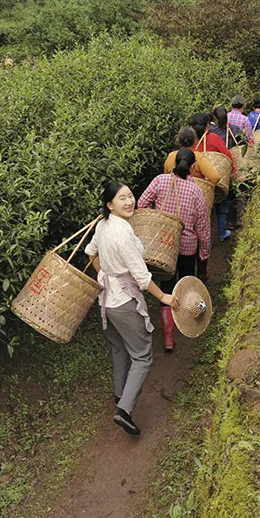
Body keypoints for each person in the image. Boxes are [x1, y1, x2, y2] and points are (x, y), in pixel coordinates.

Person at [85, 181, 179, 436]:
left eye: (130, 196)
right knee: (142, 355)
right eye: (121, 198)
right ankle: (124, 410)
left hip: (106, 300)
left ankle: (119, 395)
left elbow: (90, 252)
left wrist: (105, 274)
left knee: (118, 349)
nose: (129, 202)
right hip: (124, 304)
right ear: (109, 205)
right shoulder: (122, 234)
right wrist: (165, 298)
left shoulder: (103, 225)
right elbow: (142, 277)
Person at [138, 148, 210, 352]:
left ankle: (168, 336)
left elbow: (142, 204)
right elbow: (203, 225)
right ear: (194, 167)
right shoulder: (196, 190)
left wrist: (155, 221)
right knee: (185, 286)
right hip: (187, 247)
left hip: (163, 246)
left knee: (167, 289)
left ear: (173, 163)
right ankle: (185, 321)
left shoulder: (160, 181)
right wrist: (204, 253)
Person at [192, 112, 235, 242]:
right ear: (207, 125)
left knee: (205, 212)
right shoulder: (214, 138)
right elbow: (227, 156)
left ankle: (207, 240)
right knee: (221, 208)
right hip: (216, 180)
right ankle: (222, 233)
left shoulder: (192, 141)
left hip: (199, 182)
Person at [210, 105, 242, 230]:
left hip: (216, 167)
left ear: (214, 117)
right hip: (231, 165)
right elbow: (242, 144)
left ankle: (216, 225)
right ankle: (232, 221)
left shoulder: (212, 132)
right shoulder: (235, 129)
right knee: (232, 194)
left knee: (217, 195)